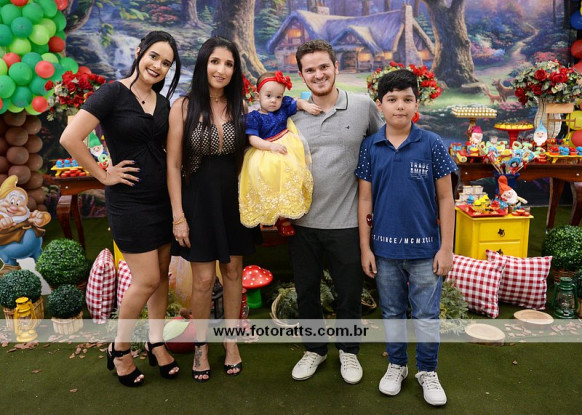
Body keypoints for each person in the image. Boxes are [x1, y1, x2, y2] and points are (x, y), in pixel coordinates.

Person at [60, 31, 182, 386]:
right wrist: (103, 175)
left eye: (166, 63)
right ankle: (120, 348)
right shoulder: (113, 92)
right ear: (140, 52)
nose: (158, 66)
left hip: (161, 201)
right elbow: (70, 137)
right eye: (154, 56)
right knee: (146, 279)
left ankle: (156, 342)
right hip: (129, 203)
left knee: (161, 276)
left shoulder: (163, 104)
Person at [355, 69, 456, 406]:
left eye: (407, 99)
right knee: (393, 311)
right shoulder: (371, 146)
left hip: (426, 250)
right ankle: (397, 365)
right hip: (384, 251)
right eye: (392, 99)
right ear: (380, 104)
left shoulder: (432, 144)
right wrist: (365, 247)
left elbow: (446, 199)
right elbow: (365, 200)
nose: (400, 106)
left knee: (426, 315)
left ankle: (427, 371)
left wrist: (446, 248)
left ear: (417, 104)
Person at [288, 39, 383, 384]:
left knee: (349, 291)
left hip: (347, 221)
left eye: (323, 67)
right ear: (301, 75)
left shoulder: (362, 106)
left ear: (335, 67)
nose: (318, 74)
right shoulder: (292, 114)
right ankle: (314, 349)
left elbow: (382, 149)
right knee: (306, 291)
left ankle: (348, 350)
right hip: (303, 222)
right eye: (310, 70)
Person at [166, 36, 255, 383]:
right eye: (215, 62)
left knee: (233, 273)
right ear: (204, 64)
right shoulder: (183, 107)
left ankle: (231, 342)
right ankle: (201, 346)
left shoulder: (241, 107)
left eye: (229, 64)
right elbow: (173, 165)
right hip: (198, 202)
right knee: (203, 281)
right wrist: (178, 216)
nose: (222, 69)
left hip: (234, 201)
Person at [239, 70, 321, 236]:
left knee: (290, 177)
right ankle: (268, 214)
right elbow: (253, 139)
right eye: (269, 96)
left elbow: (297, 103)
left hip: (286, 150)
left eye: (278, 97)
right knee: (264, 176)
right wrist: (270, 147)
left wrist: (306, 105)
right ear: (258, 95)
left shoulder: (283, 107)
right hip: (265, 150)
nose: (274, 100)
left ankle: (284, 216)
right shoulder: (254, 117)